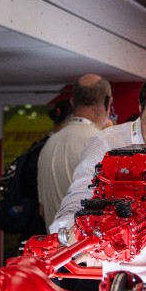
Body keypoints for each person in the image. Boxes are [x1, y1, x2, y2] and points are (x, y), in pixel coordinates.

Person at [49, 66, 146, 251]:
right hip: (100, 263)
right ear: (140, 107)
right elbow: (76, 200)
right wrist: (72, 233)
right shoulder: (106, 144)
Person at [37, 74, 113, 228]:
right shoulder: (103, 144)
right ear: (108, 102)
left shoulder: (48, 144)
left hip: (55, 247)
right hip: (91, 249)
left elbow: (43, 210)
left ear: (72, 103)